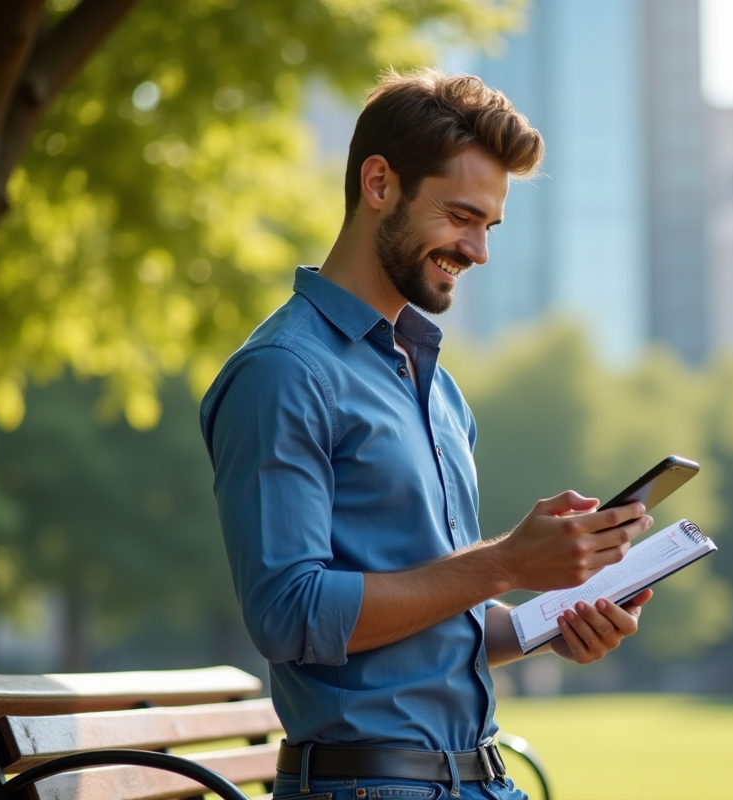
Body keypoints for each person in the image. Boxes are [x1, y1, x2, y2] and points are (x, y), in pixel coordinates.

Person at [199, 69, 654, 800]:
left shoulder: (436, 387)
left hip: (480, 778)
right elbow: (289, 615)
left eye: (489, 227)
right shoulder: (284, 373)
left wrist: (554, 620)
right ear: (378, 183)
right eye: (461, 217)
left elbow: (447, 618)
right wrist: (505, 563)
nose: (478, 250)